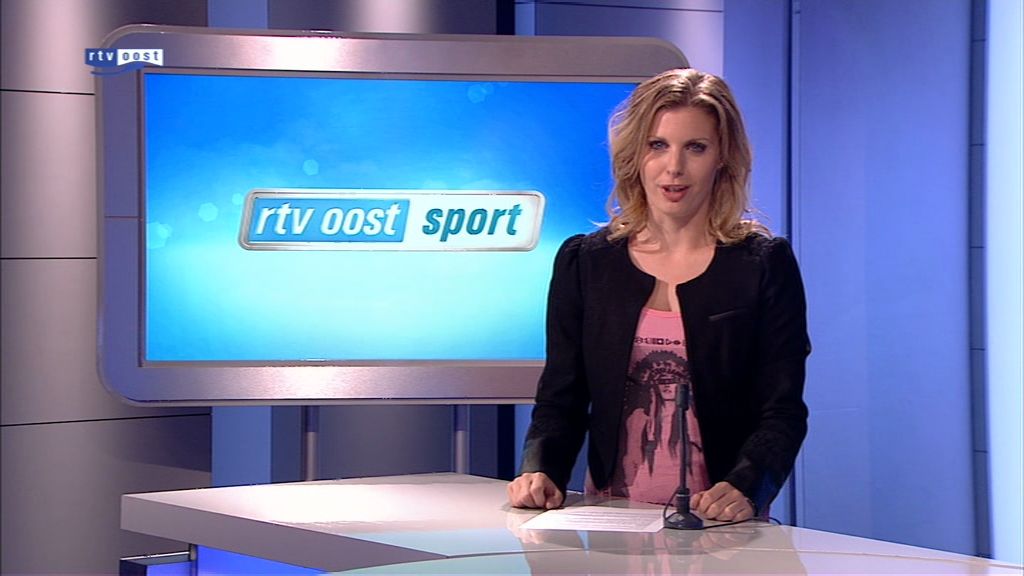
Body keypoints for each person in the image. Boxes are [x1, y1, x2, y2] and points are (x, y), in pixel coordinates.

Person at [507, 68, 810, 522]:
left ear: (723, 158)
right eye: (658, 145)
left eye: (696, 147)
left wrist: (747, 486)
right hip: (613, 519)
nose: (674, 168)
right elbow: (560, 398)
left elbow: (782, 410)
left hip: (720, 524)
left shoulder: (763, 265)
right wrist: (540, 469)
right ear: (635, 154)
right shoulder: (586, 262)